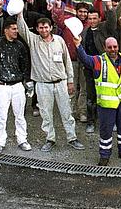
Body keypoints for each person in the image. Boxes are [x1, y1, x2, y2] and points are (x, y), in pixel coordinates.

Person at [17, 11, 85, 152]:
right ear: (37, 29)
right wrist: (19, 14)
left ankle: (72, 138)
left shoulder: (59, 40)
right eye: (41, 28)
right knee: (46, 114)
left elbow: (67, 61)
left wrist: (70, 81)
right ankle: (50, 139)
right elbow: (22, 30)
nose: (44, 30)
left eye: (46, 27)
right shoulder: (33, 40)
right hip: (42, 84)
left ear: (51, 27)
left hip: (61, 82)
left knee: (66, 112)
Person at [75, 34, 121, 166]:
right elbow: (85, 59)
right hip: (106, 104)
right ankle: (104, 155)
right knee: (106, 130)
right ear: (104, 48)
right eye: (109, 47)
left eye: (115, 46)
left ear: (118, 47)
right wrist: (78, 45)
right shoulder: (99, 61)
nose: (112, 49)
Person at [0, 16, 33, 153]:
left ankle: (22, 139)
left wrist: (28, 81)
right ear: (6, 30)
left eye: (17, 29)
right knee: (1, 116)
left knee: (20, 115)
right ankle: (0, 142)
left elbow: (25, 65)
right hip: (1, 86)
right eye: (13, 29)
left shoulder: (20, 46)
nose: (16, 31)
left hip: (17, 85)